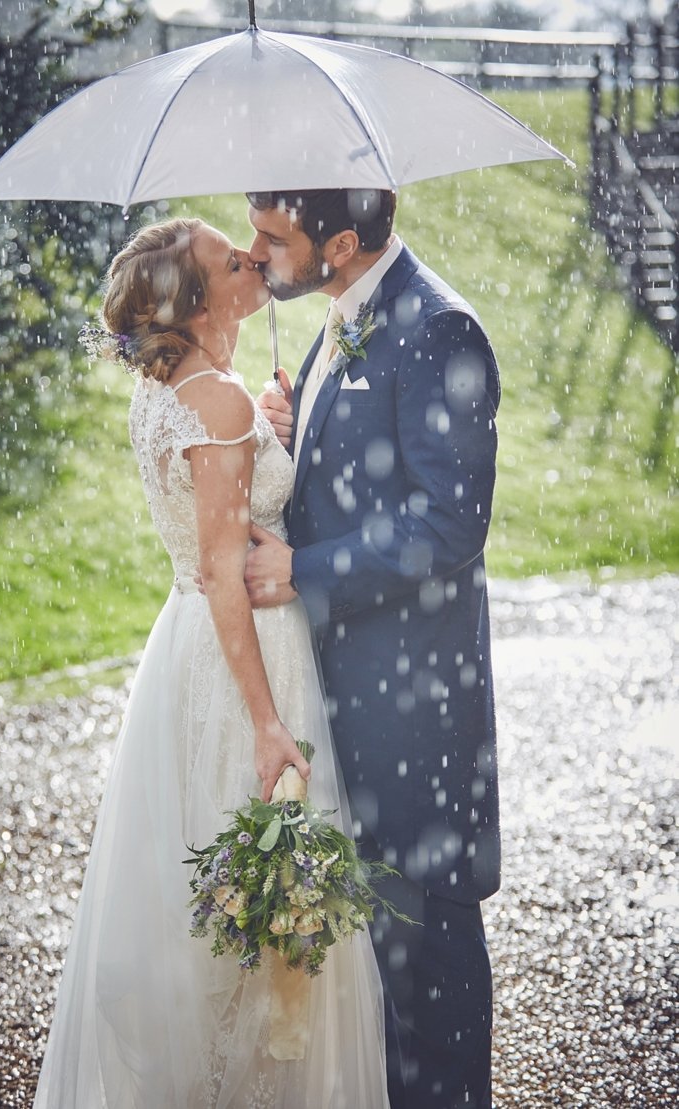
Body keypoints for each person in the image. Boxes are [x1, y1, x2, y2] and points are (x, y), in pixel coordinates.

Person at [32, 217, 390, 1109]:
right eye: (232, 260)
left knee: (199, 890)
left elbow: (211, 523)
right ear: (196, 302)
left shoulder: (178, 392)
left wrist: (272, 428)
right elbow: (227, 570)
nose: (254, 260)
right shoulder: (217, 401)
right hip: (243, 657)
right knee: (257, 905)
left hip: (183, 647)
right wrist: (269, 722)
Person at [244, 188, 501, 1109]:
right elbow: (352, 472)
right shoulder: (341, 318)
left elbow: (447, 526)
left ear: (341, 242)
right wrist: (294, 430)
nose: (255, 250)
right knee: (379, 979)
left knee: (429, 981)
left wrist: (302, 570)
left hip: (413, 724)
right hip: (348, 702)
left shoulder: (440, 330)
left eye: (273, 236)